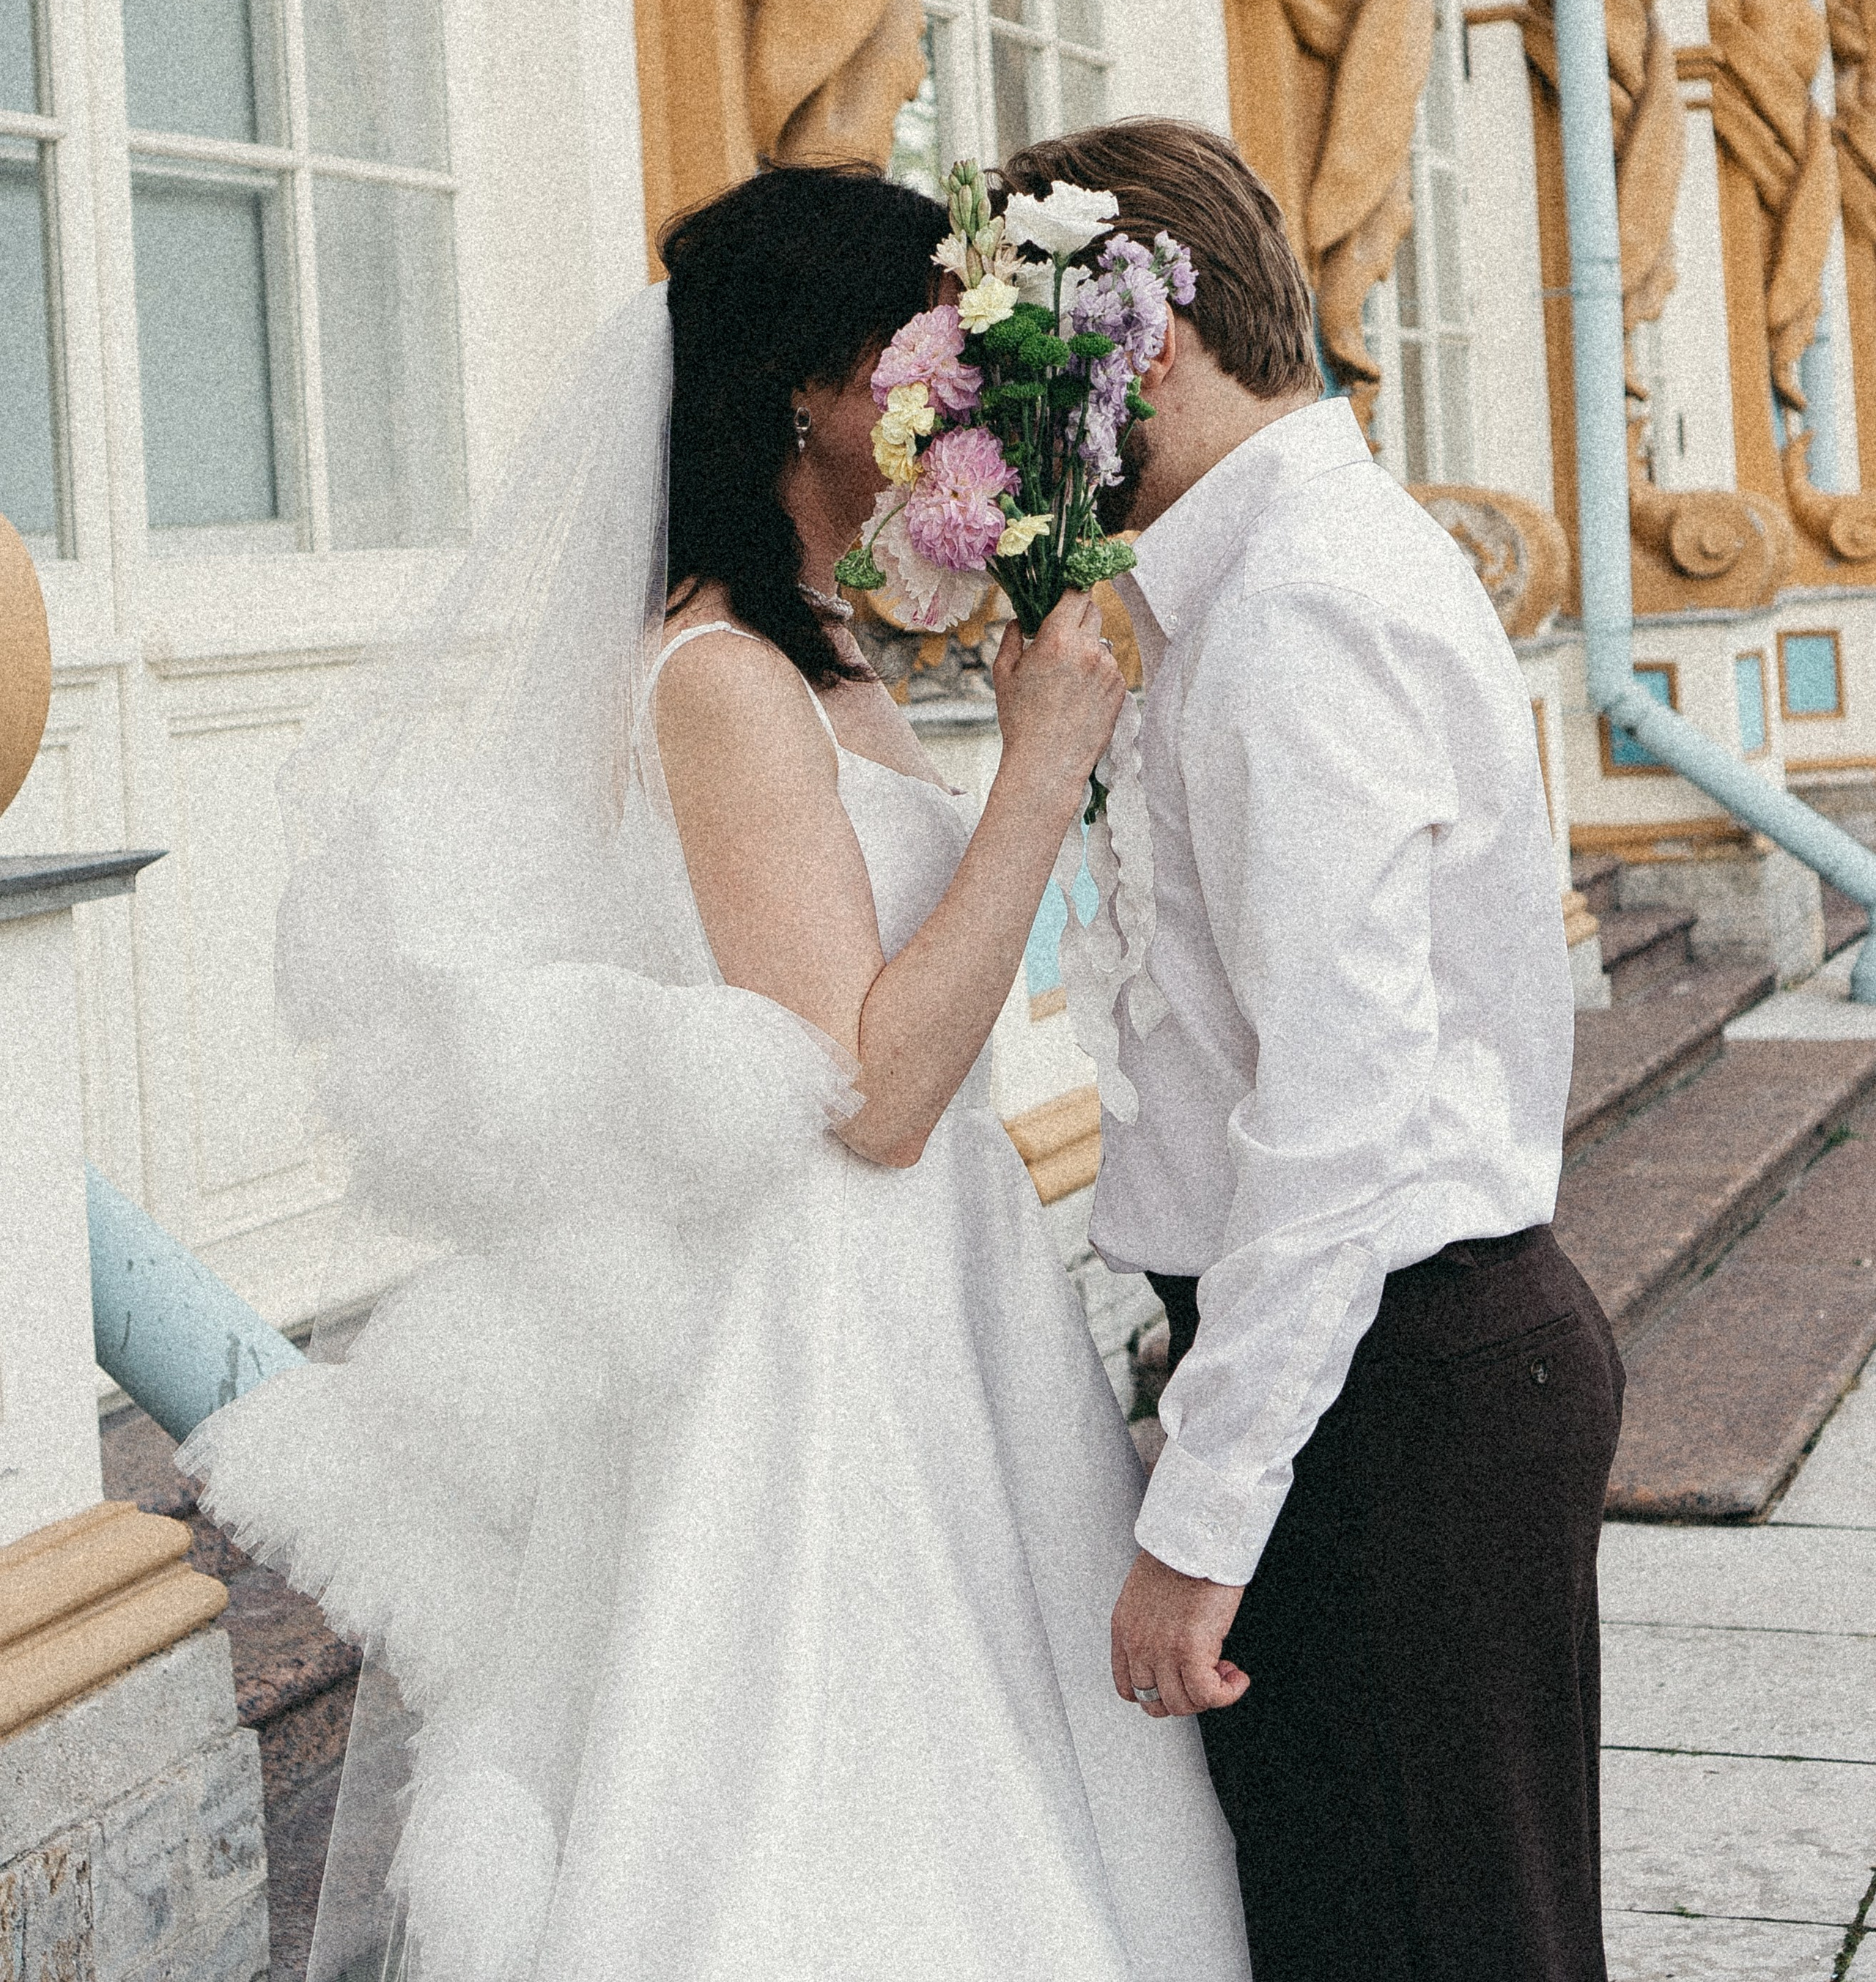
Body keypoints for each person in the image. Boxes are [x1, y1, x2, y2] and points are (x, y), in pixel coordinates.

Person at [182, 165, 1252, 1982]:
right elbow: (871, 1097)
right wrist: (1034, 761)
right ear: (811, 391)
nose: (957, 400)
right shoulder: (720, 678)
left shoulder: (822, 653)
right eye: (926, 356)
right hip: (824, 1325)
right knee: (830, 1807)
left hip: (941, 1296)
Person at [999, 120, 1624, 1982]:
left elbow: (1336, 1114)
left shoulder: (1292, 607)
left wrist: (1201, 1520)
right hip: (1376, 1371)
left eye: (1026, 373)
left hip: (1390, 1389)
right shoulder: (1270, 574)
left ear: (1150, 343)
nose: (1010, 442)